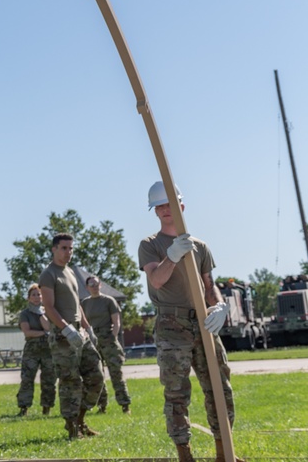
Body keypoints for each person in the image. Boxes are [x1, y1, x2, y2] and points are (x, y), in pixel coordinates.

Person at [139, 181, 242, 462]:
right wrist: (171, 256)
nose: (164, 210)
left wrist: (219, 305)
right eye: (159, 206)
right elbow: (157, 280)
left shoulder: (201, 247)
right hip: (172, 325)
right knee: (176, 393)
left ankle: (224, 453)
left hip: (204, 323)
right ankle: (185, 455)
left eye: (169, 204)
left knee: (220, 388)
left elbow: (209, 286)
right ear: (155, 212)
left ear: (181, 206)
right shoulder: (150, 245)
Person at [39, 233, 104, 440]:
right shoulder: (49, 274)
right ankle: (71, 427)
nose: (68, 252)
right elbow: (48, 307)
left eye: (71, 248)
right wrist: (66, 329)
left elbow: (77, 304)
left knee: (96, 376)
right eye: (64, 248)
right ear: (54, 249)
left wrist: (87, 327)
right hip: (62, 336)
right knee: (70, 382)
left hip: (80, 333)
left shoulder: (70, 272)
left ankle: (80, 420)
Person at [81, 275, 131, 414]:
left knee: (116, 373)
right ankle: (102, 405)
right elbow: (83, 323)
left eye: (97, 284)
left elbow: (117, 323)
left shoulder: (109, 301)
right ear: (87, 287)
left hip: (108, 339)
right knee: (97, 374)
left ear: (100, 285)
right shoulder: (85, 303)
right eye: (92, 285)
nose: (95, 287)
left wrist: (112, 338)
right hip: (93, 340)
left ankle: (125, 405)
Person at [16, 283, 56, 417]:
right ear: (28, 298)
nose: (36, 297)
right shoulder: (25, 314)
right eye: (33, 295)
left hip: (48, 350)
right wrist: (44, 333)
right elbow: (27, 332)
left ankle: (47, 408)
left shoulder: (49, 311)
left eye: (39, 294)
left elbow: (49, 328)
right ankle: (24, 408)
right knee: (27, 379)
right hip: (32, 350)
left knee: (49, 379)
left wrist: (42, 314)